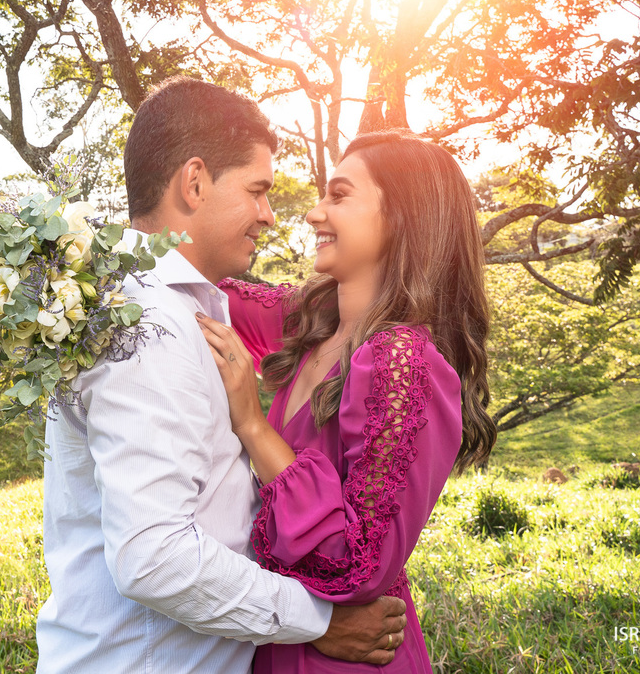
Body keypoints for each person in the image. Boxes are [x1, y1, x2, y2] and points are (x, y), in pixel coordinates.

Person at [36, 78, 408, 673]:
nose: (268, 215)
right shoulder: (149, 323)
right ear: (195, 181)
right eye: (258, 190)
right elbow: (153, 556)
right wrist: (319, 620)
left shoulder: (156, 306)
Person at [196, 130, 497, 673]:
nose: (313, 213)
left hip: (345, 657)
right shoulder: (313, 322)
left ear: (401, 217)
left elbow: (357, 563)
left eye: (338, 195)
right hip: (279, 632)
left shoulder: (402, 359)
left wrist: (253, 426)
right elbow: (201, 282)